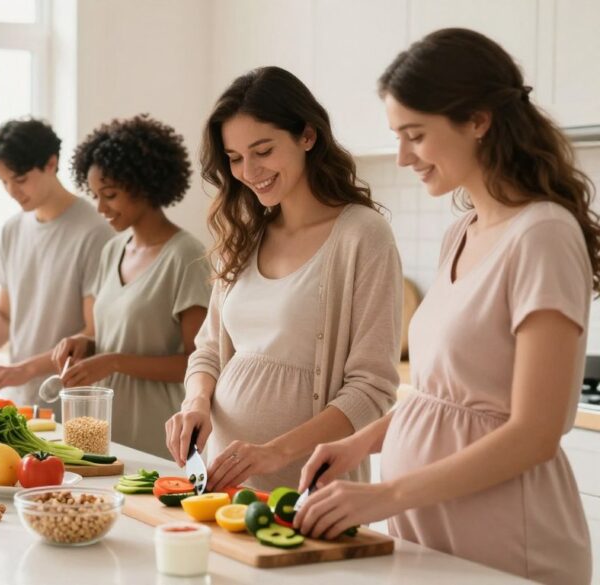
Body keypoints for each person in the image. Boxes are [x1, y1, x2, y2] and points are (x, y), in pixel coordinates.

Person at [294, 29, 594, 585]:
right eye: (398, 136)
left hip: (504, 539)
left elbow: (536, 432)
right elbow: (443, 399)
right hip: (427, 531)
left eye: (416, 135)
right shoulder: (461, 231)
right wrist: (360, 443)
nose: (404, 156)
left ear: (478, 121)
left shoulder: (543, 235)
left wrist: (384, 494)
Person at [165, 67, 402, 492]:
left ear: (307, 136)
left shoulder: (362, 235)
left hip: (309, 485)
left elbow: (372, 390)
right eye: (235, 158)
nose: (249, 170)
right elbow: (208, 350)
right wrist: (196, 401)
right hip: (223, 476)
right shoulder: (244, 234)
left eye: (263, 150)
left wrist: (276, 451)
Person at [51, 114, 211, 457]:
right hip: (105, 436)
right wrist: (84, 343)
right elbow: (106, 334)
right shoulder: (112, 251)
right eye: (94, 195)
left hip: (158, 439)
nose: (100, 207)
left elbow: (197, 362)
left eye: (109, 194)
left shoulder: (187, 256)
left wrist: (114, 362)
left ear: (145, 185)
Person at [0, 118, 113, 406]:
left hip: (70, 401)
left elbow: (93, 334)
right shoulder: (12, 230)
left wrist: (23, 369)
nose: (12, 191)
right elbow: (4, 314)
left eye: (19, 179)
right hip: (20, 402)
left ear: (51, 164)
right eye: (4, 182)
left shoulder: (95, 232)